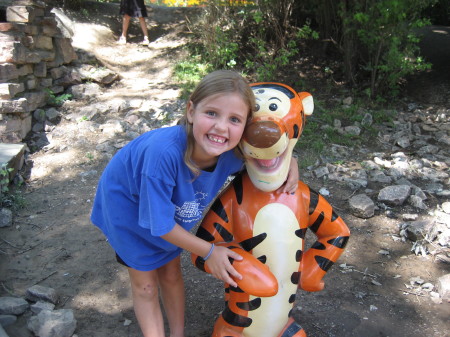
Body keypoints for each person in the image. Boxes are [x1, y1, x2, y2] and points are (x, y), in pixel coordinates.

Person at [90, 70, 299, 337]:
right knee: (145, 286)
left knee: (170, 273)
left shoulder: (231, 154)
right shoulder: (162, 155)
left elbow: (267, 157)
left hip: (165, 213)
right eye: (211, 113)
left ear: (245, 126)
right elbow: (161, 226)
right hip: (126, 208)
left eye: (234, 119)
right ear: (191, 111)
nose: (221, 127)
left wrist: (289, 161)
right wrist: (210, 251)